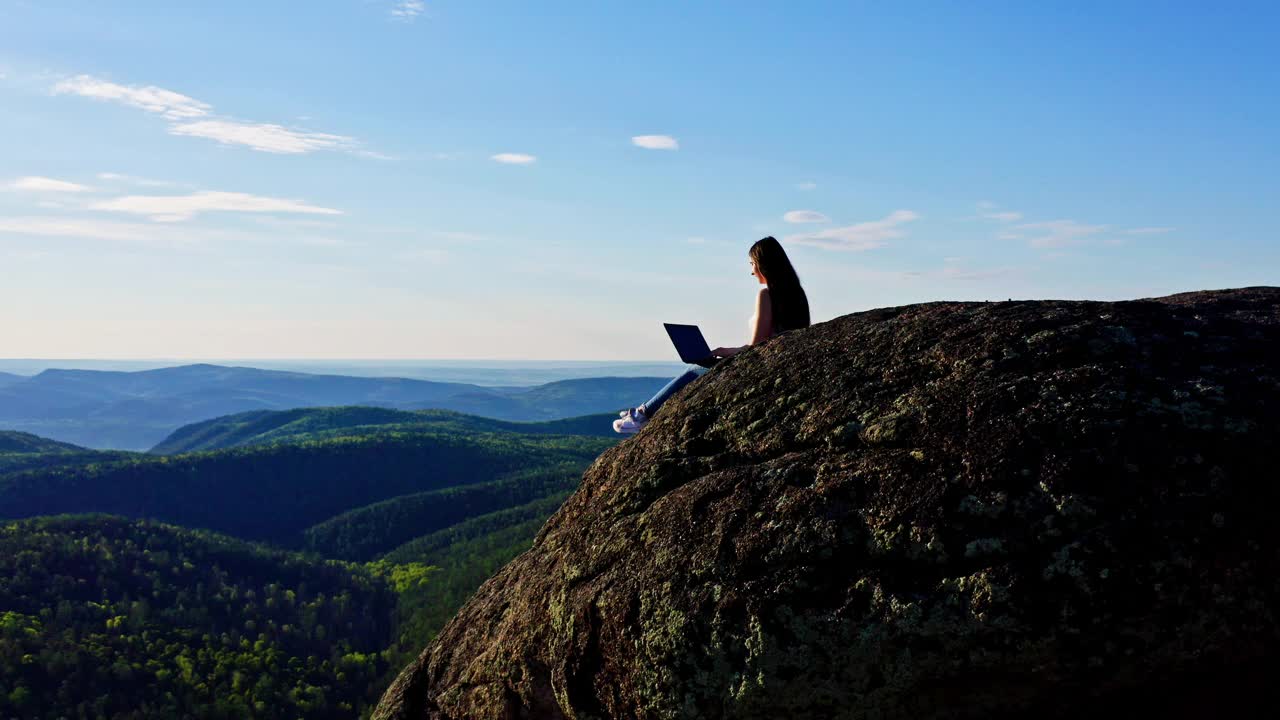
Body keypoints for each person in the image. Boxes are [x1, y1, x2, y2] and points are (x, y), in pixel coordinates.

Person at [613, 236, 810, 434]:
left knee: (695, 369)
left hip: (764, 364)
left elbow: (758, 345)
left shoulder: (766, 295)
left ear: (764, 264)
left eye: (753, 264)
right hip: (782, 361)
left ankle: (642, 415)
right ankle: (643, 412)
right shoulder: (798, 294)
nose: (751, 271)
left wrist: (726, 351)